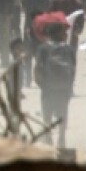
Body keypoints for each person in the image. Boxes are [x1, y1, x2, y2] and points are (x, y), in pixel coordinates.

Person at [34, 21, 78, 149]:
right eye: (64, 32)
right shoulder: (69, 49)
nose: (66, 34)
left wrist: (41, 85)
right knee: (63, 112)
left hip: (48, 87)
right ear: (58, 33)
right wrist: (69, 85)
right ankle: (62, 138)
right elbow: (74, 68)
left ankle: (48, 137)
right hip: (64, 87)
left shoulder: (43, 48)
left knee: (47, 113)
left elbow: (38, 68)